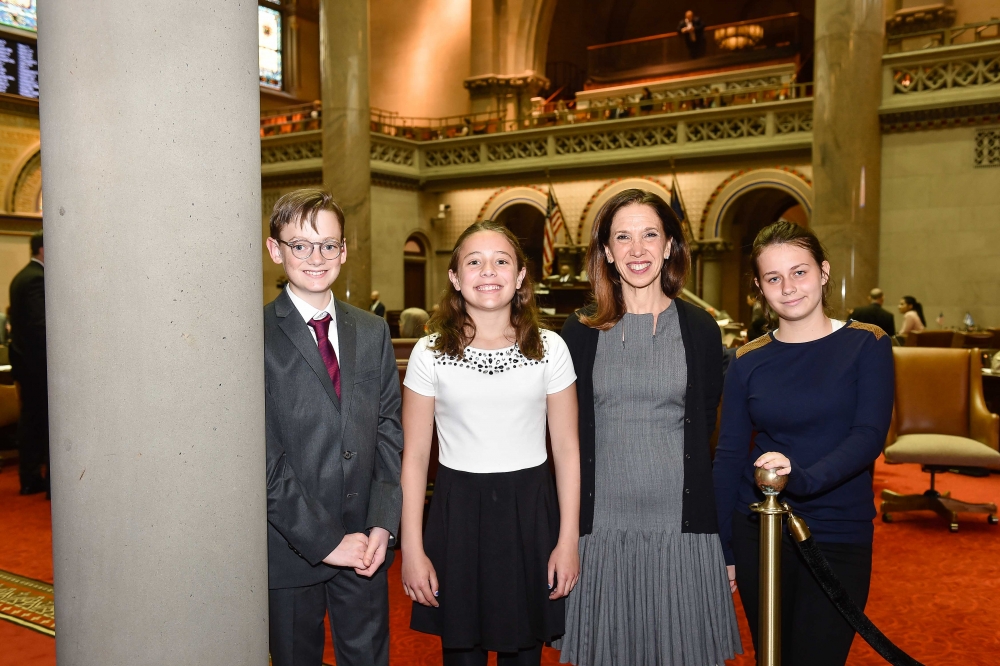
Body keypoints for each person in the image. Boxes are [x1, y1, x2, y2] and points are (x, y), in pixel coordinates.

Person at [558, 189, 741, 666]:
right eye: (623, 237)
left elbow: (705, 428)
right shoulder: (577, 332)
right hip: (600, 530)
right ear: (606, 252)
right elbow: (563, 437)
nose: (637, 250)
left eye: (649, 235)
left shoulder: (701, 329)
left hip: (680, 529)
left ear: (669, 247)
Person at [400, 219, 581, 666]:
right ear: (455, 278)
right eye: (474, 262)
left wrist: (568, 540)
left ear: (520, 276)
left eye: (501, 261)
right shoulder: (429, 353)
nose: (488, 271)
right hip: (457, 514)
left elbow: (567, 450)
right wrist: (413, 548)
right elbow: (415, 458)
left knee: (524, 655)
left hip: (530, 515)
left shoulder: (551, 348)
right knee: (462, 654)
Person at [713, 221, 894, 666]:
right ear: (759, 286)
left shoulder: (867, 344)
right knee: (771, 658)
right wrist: (722, 546)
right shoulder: (745, 360)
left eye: (800, 272)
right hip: (761, 529)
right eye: (773, 278)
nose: (788, 287)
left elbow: (869, 436)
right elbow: (731, 455)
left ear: (824, 272)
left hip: (837, 529)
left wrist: (803, 479)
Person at [263, 189, 403, 666]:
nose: (316, 257)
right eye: (300, 245)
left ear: (343, 250)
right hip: (291, 547)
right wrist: (326, 542)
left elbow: (387, 429)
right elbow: (263, 461)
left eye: (328, 244)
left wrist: (383, 522)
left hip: (364, 543)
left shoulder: (371, 330)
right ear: (275, 249)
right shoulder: (253, 336)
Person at [8, 230, 48, 496]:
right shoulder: (37, 278)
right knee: (38, 421)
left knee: (31, 420)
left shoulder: (23, 275)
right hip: (36, 364)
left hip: (25, 362)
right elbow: (40, 325)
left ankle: (30, 477)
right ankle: (33, 478)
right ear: (42, 249)